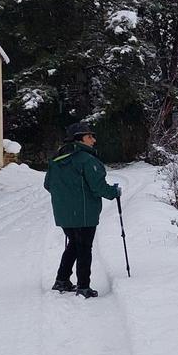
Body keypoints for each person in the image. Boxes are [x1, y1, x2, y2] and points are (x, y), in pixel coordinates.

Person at [43, 122, 120, 298]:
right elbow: (98, 187)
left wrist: (66, 196)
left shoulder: (56, 159)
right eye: (89, 136)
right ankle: (83, 286)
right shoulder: (87, 160)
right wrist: (114, 192)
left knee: (75, 245)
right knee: (84, 247)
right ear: (79, 139)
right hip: (85, 213)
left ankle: (62, 280)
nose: (94, 139)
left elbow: (48, 185)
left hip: (64, 213)